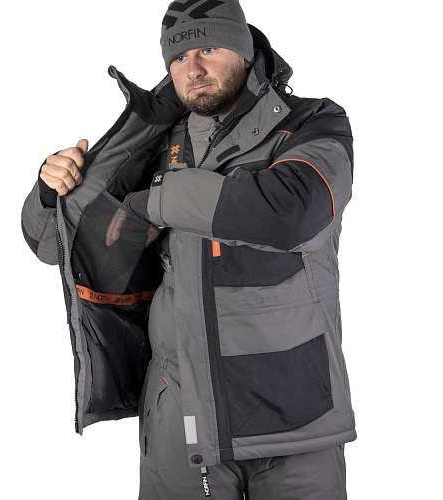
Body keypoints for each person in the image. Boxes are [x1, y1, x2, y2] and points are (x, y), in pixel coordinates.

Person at [22, 0, 356, 498]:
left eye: (207, 49)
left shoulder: (312, 122)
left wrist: (155, 201)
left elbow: (288, 213)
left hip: (296, 409)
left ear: (244, 51)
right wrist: (52, 190)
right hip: (180, 410)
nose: (192, 68)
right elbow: (56, 246)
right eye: (178, 58)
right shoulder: (157, 143)